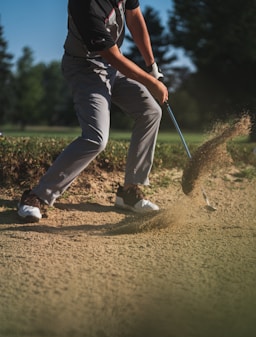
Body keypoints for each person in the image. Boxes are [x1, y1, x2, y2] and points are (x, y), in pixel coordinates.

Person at [17, 0, 169, 223]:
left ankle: (129, 192)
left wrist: (152, 66)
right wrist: (152, 84)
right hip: (85, 68)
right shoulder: (85, 5)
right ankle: (36, 196)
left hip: (112, 69)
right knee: (96, 139)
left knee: (151, 112)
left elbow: (135, 18)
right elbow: (114, 57)